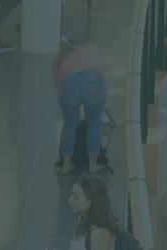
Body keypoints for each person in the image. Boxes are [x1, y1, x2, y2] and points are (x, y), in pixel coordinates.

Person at [53, 41, 107, 174]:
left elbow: (56, 83)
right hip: (94, 78)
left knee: (70, 124)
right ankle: (93, 165)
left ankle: (67, 165)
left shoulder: (61, 57)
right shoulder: (90, 49)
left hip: (68, 79)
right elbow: (101, 68)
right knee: (94, 124)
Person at [61, 175, 124, 250]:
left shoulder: (99, 233)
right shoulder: (83, 219)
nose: (70, 199)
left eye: (76, 196)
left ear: (92, 199)